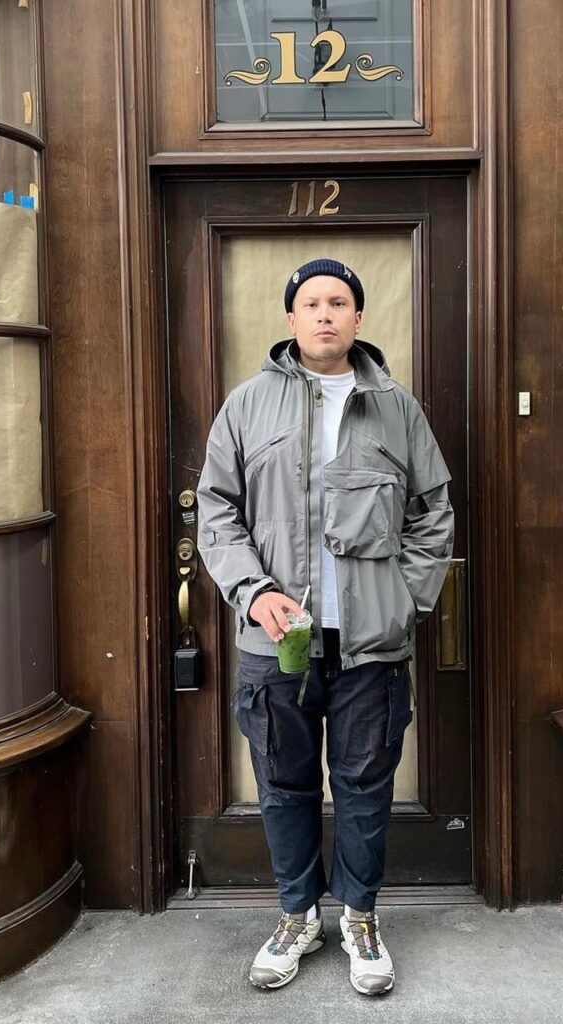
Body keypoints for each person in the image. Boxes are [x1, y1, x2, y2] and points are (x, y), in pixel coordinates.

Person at [196, 258, 453, 996]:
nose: (325, 315)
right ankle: (296, 913)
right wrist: (252, 593)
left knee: (367, 784)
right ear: (291, 320)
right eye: (311, 303)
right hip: (277, 642)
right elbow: (216, 510)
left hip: (370, 642)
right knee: (283, 783)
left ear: (359, 319)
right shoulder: (247, 407)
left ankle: (362, 916)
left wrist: (405, 601)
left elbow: (433, 514)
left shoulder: (398, 409)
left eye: (338, 302)